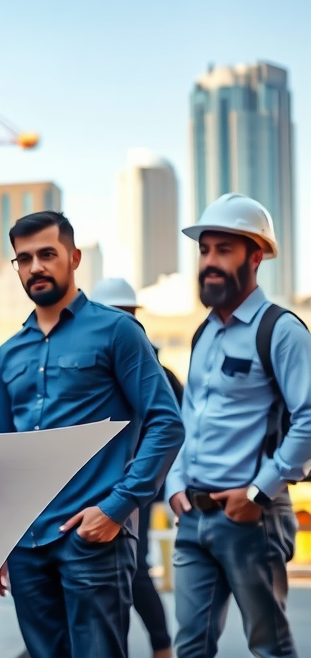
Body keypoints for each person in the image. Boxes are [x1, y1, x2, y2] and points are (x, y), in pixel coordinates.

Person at [0, 210, 184, 658]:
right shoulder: (9, 353)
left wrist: (116, 508)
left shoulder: (117, 332)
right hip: (27, 543)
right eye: (24, 258)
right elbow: (3, 454)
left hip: (92, 538)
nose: (35, 266)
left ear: (74, 258)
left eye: (47, 254)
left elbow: (166, 423)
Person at [165, 193, 311, 658]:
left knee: (270, 647)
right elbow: (189, 421)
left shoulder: (281, 330)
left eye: (223, 249)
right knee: (189, 648)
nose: (209, 261)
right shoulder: (203, 333)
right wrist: (173, 483)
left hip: (252, 519)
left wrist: (258, 493)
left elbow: (309, 419)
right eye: (205, 250)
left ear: (255, 255)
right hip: (193, 518)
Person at [92, 276, 180, 658]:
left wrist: (149, 484)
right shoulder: (96, 366)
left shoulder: (155, 371)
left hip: (137, 488)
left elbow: (174, 429)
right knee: (110, 576)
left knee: (131, 570)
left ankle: (161, 646)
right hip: (106, 487)